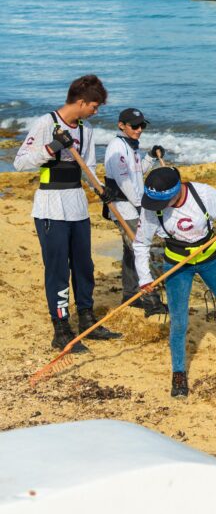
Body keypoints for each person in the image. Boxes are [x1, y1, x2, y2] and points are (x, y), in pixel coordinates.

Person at [133, 166, 216, 398]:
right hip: (177, 265)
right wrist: (145, 278)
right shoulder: (151, 208)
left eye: (160, 202)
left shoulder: (202, 194)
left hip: (211, 259)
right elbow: (140, 244)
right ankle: (179, 372)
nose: (154, 208)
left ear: (175, 192)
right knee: (179, 322)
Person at [13, 74, 121, 353]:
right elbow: (20, 163)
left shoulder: (86, 130)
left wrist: (102, 191)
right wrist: (52, 148)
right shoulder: (46, 123)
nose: (96, 112)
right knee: (58, 270)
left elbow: (89, 171)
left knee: (84, 266)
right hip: (50, 207)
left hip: (77, 207)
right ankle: (61, 329)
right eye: (94, 106)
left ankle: (86, 320)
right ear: (81, 102)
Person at [103, 107, 167, 316]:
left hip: (133, 206)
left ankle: (130, 295)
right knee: (140, 250)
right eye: (134, 126)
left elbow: (137, 174)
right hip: (124, 208)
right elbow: (124, 182)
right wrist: (141, 205)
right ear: (121, 125)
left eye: (142, 126)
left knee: (131, 252)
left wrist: (149, 157)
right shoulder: (117, 148)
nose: (139, 130)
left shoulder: (130, 146)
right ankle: (151, 302)